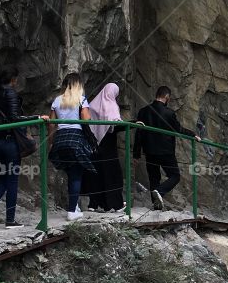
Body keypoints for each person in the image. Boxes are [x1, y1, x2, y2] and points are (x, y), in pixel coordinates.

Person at [0, 67, 46, 228]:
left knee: (2, 177)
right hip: (9, 141)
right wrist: (36, 117)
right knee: (12, 180)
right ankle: (10, 220)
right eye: (15, 79)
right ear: (12, 79)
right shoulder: (10, 93)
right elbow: (15, 118)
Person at [134, 85, 199, 210]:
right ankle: (160, 191)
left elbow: (139, 134)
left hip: (149, 151)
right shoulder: (169, 113)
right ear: (167, 97)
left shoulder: (143, 111)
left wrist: (136, 154)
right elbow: (178, 130)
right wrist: (193, 134)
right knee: (175, 175)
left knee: (154, 178)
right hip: (166, 151)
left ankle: (156, 207)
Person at [48, 72, 95, 220]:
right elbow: (87, 119)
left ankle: (74, 206)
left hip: (61, 139)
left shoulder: (56, 100)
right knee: (76, 175)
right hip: (76, 138)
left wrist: (51, 142)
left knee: (70, 173)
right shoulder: (81, 99)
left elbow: (51, 124)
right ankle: (71, 211)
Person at [82, 83, 130, 212]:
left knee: (96, 174)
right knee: (112, 175)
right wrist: (132, 124)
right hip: (108, 146)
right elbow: (114, 125)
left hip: (93, 144)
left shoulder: (92, 105)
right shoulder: (112, 105)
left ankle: (93, 204)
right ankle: (115, 204)